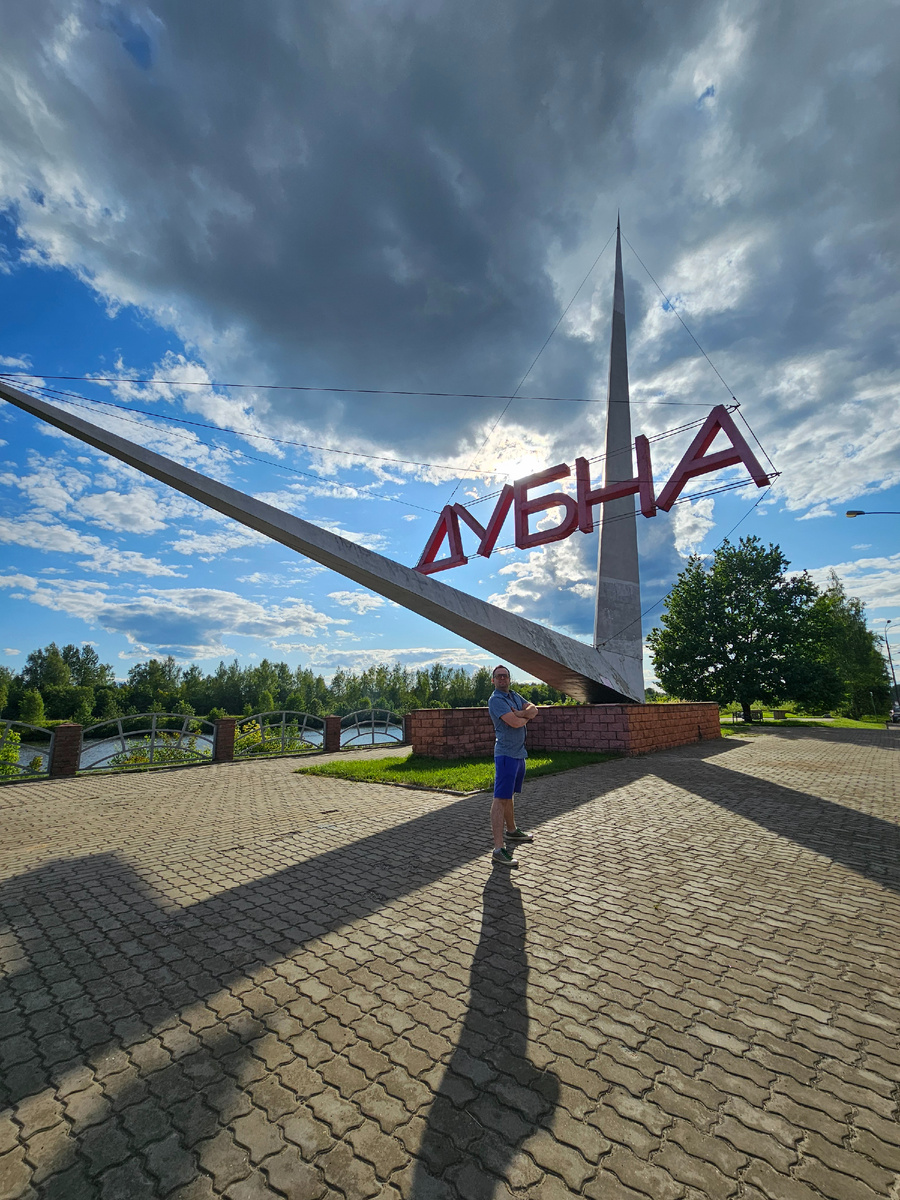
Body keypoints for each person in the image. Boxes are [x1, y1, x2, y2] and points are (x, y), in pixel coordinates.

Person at [487, 665, 538, 867]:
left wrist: (522, 713)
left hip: (519, 754)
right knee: (500, 799)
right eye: (498, 676)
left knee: (509, 796)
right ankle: (498, 849)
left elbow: (534, 709)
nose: (502, 679)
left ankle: (512, 831)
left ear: (509, 679)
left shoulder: (514, 695)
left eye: (505, 676)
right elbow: (515, 723)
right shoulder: (496, 700)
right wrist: (523, 716)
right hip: (506, 755)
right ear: (493, 681)